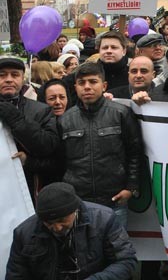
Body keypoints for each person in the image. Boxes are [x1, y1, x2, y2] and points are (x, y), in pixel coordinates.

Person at [58, 62, 142, 223]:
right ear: (75, 87)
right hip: (78, 201)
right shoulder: (65, 119)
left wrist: (131, 187)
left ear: (104, 86)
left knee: (115, 247)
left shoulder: (121, 113)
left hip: (114, 198)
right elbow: (61, 160)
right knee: (81, 247)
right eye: (82, 83)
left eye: (93, 81)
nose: (87, 87)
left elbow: (134, 152)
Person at [6, 182, 137, 279]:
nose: (57, 227)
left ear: (75, 210)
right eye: (49, 223)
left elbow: (126, 261)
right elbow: (16, 275)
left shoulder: (104, 219)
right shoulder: (24, 233)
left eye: (62, 220)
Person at [0, 57, 59, 198]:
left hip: (27, 188)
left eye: (15, 75)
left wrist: (16, 120)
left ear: (23, 79)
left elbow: (48, 147)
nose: (8, 79)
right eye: (2, 75)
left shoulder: (41, 110)